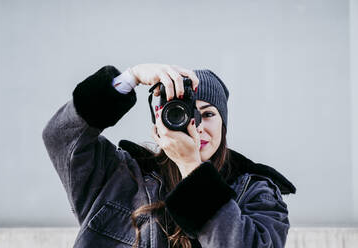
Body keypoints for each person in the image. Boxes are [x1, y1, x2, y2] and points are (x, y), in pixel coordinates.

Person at [42, 64, 296, 248]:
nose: (196, 126)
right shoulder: (119, 176)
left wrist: (191, 168)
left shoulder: (257, 193)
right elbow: (59, 136)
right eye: (181, 114)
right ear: (158, 125)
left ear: (224, 125)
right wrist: (129, 78)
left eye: (208, 114)